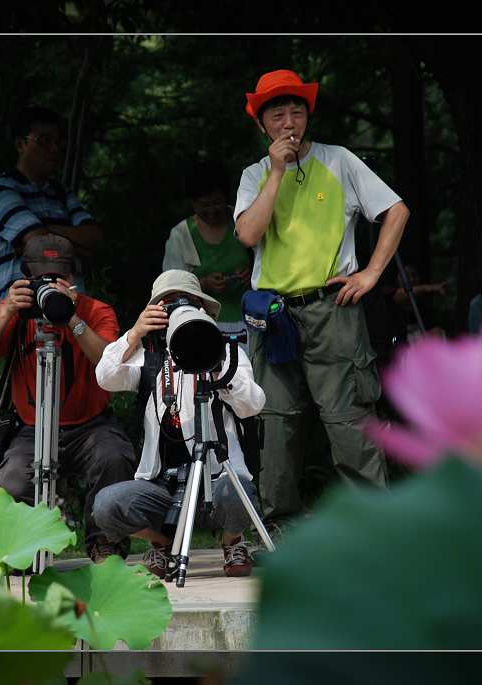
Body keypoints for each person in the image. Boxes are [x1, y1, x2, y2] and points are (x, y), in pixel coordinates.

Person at [233, 69, 410, 526]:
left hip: (335, 308)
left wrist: (372, 273)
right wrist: (276, 170)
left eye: (297, 111)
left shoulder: (339, 161)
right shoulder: (254, 175)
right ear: (261, 123)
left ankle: (376, 528)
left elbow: (396, 210)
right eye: (278, 114)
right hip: (273, 315)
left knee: (349, 423)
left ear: (308, 116)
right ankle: (278, 531)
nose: (289, 122)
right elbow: (249, 233)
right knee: (276, 425)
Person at [0, 234, 137, 563]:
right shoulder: (18, 313)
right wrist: (6, 311)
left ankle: (105, 542)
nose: (50, 285)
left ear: (72, 277)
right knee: (8, 485)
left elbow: (110, 364)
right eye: (40, 278)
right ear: (25, 278)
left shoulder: (95, 311)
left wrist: (71, 318)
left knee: (114, 458)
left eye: (58, 277)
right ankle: (19, 552)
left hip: (91, 425)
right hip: (32, 428)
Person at [92, 270, 266, 579]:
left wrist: (214, 365)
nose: (177, 310)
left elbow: (252, 404)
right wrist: (133, 334)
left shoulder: (226, 353)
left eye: (186, 303)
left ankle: (232, 542)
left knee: (239, 491)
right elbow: (105, 377)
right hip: (162, 487)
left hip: (216, 481)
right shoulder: (147, 360)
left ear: (202, 307)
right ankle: (163, 544)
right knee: (106, 505)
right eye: (167, 305)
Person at [0, 106, 102, 298]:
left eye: (58, 141)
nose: (54, 149)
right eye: (44, 140)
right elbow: (41, 244)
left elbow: (94, 237)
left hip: (75, 307)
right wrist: (74, 244)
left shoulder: (61, 191)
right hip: (25, 310)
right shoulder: (2, 189)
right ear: (21, 144)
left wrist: (45, 230)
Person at [162, 161, 252, 336]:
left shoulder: (243, 221)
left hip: (250, 320)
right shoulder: (181, 234)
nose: (212, 210)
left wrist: (252, 275)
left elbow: (266, 262)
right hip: (202, 325)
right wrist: (203, 284)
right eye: (204, 205)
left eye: (217, 203)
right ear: (193, 204)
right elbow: (170, 287)